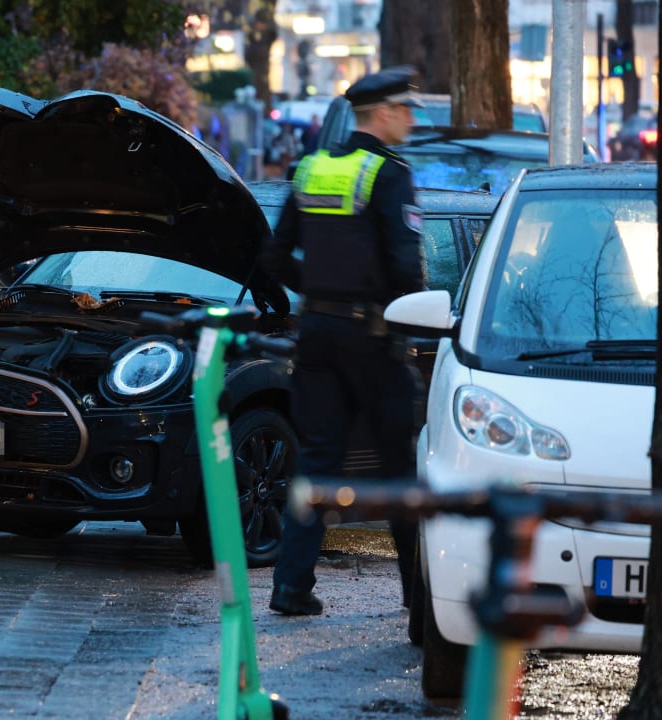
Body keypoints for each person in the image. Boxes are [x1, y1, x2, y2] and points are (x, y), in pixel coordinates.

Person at [259, 66, 428, 617]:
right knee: (399, 469)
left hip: (317, 336)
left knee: (317, 459)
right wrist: (405, 316)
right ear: (381, 113)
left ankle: (290, 587)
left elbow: (274, 256)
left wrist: (319, 294)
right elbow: (406, 267)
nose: (409, 118)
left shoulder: (309, 169)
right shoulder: (388, 174)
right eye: (404, 109)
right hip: (373, 341)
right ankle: (417, 596)